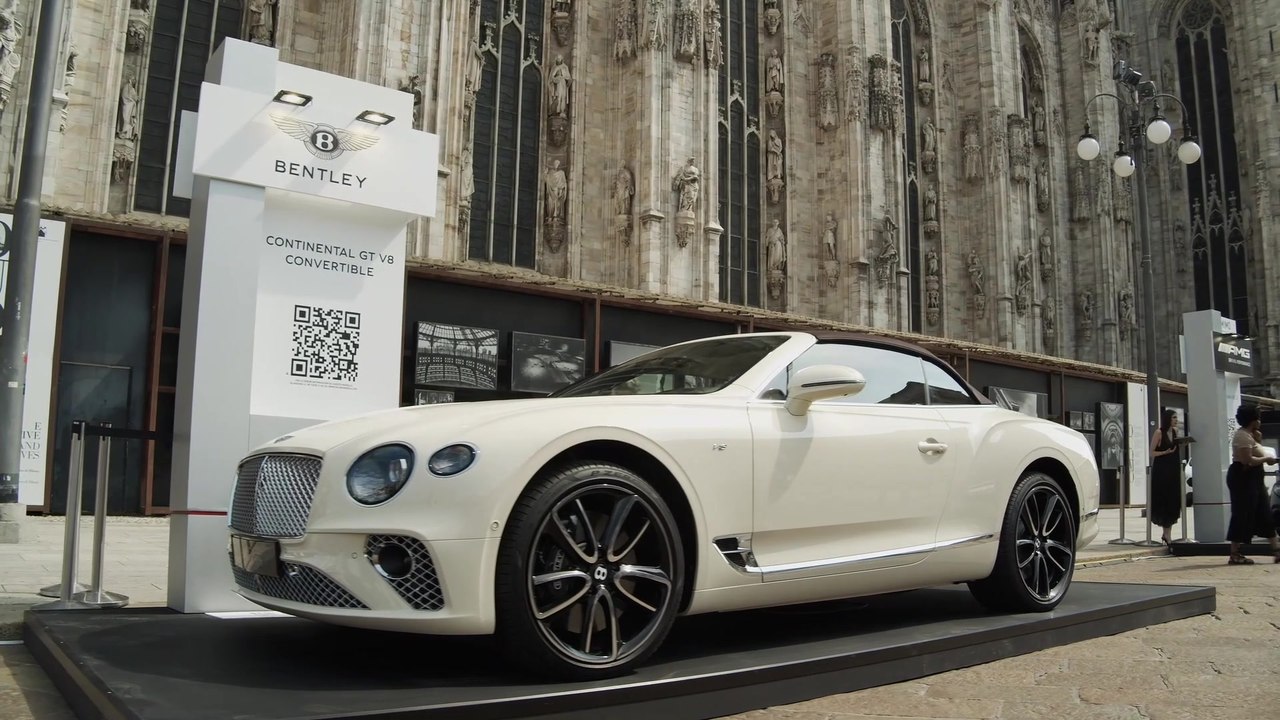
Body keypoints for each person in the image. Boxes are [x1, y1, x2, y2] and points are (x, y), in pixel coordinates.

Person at [1225, 404, 1280, 564]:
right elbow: (1246, 460)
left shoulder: (1251, 435)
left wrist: (1258, 440)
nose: (1260, 421)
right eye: (1257, 418)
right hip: (1243, 478)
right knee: (1242, 513)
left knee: (1264, 511)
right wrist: (1266, 459)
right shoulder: (1242, 436)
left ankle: (1276, 550)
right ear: (1252, 420)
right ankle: (1235, 553)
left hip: (1255, 479)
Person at [1148, 409, 1183, 545]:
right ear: (1168, 418)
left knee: (1173, 500)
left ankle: (1167, 534)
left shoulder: (1175, 432)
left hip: (1173, 469)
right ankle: (1167, 535)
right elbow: (1152, 452)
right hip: (1162, 471)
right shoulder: (1159, 432)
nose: (1176, 420)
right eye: (1174, 417)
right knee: (1163, 499)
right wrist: (1165, 452)